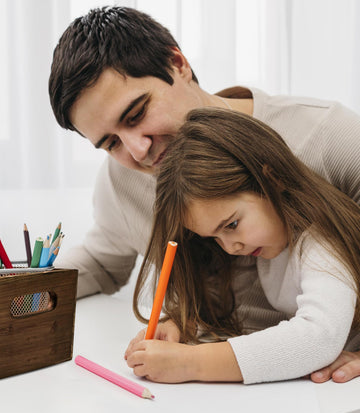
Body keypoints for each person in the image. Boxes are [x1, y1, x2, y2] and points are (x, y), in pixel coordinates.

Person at [48, 6, 360, 383]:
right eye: (111, 142)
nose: (137, 150)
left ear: (177, 63)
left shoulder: (330, 136)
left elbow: (317, 335)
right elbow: (100, 264)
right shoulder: (121, 180)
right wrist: (14, 295)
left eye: (136, 114)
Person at [124, 107, 360, 384]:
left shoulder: (321, 241)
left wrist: (189, 363)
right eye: (214, 237)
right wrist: (180, 325)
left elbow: (318, 337)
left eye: (231, 225)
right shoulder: (269, 242)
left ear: (271, 180)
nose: (229, 247)